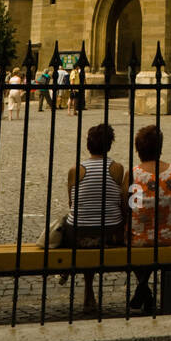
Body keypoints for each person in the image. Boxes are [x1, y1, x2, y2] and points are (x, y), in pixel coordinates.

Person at [121, 125, 171, 316]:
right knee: (151, 247)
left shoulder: (132, 174)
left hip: (137, 238)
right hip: (167, 237)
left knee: (134, 244)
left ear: (138, 149)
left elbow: (124, 206)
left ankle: (143, 289)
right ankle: (145, 293)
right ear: (160, 147)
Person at [65, 122, 126, 315]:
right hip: (110, 234)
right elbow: (122, 202)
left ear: (88, 144)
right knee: (101, 226)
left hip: (78, 235)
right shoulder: (117, 169)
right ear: (109, 145)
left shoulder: (75, 170)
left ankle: (88, 290)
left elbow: (71, 203)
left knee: (82, 225)